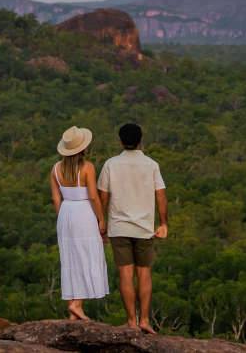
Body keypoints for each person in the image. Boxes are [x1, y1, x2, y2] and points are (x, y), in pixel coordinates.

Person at [98, 123, 168, 333]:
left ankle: (131, 321)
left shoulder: (111, 164)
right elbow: (160, 195)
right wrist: (163, 223)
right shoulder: (151, 165)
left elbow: (103, 196)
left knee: (125, 274)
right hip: (144, 228)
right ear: (140, 140)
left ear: (120, 141)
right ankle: (144, 320)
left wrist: (101, 222)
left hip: (119, 227)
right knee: (144, 273)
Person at [50, 126, 109, 320]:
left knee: (69, 258)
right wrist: (101, 219)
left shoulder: (55, 169)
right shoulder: (87, 167)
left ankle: (73, 307)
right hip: (84, 212)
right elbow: (93, 196)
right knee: (86, 255)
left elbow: (56, 199)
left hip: (65, 212)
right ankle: (77, 304)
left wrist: (63, 217)